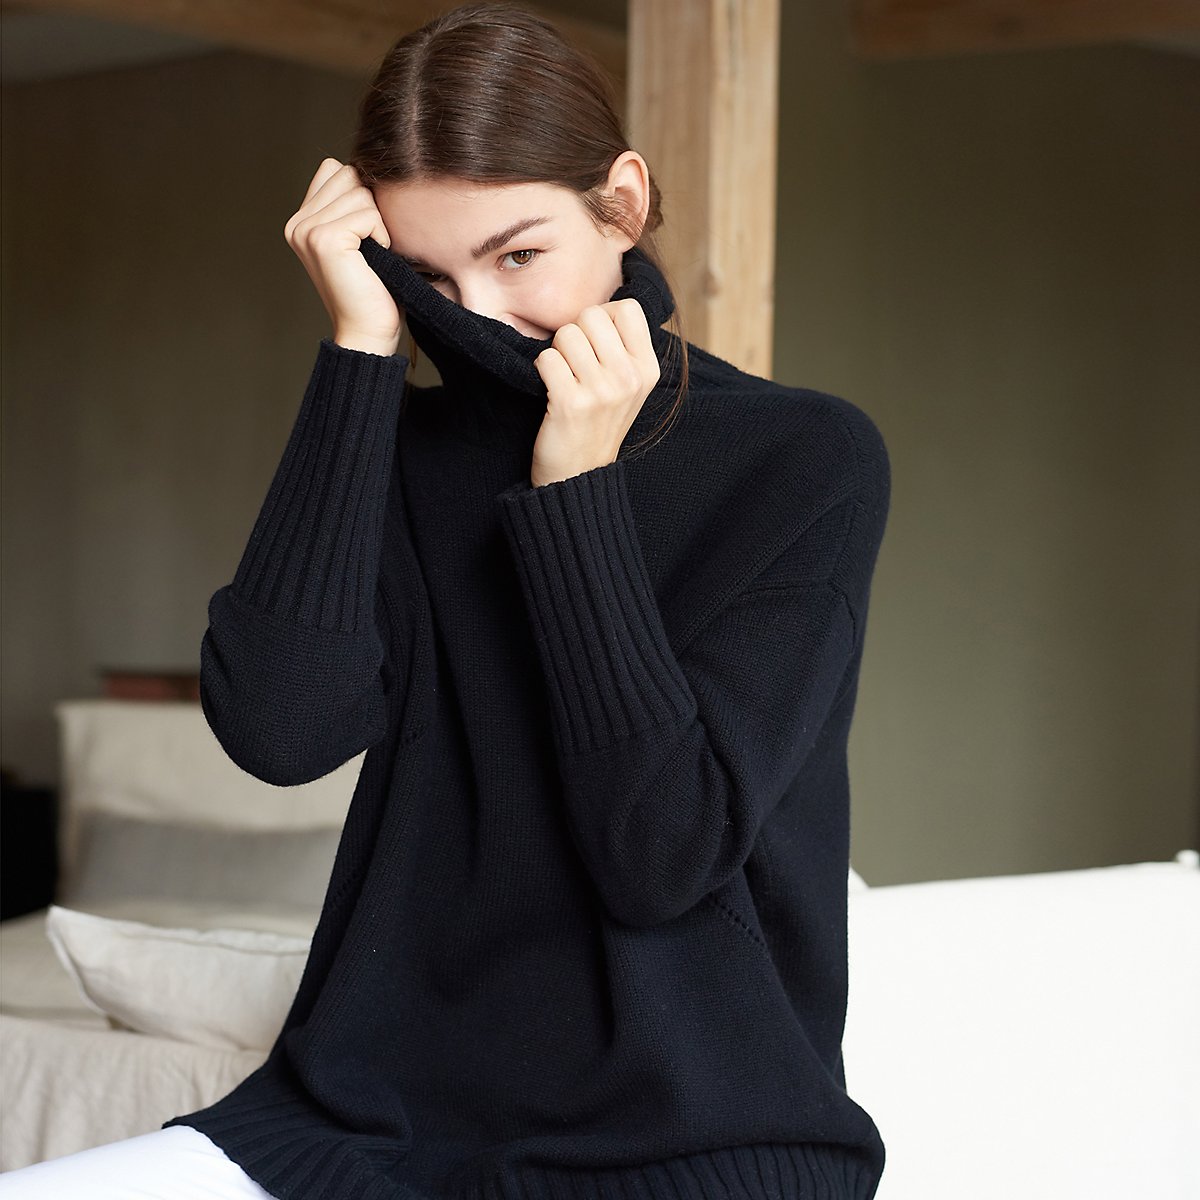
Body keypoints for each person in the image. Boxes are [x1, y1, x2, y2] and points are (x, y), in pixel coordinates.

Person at [0, 3, 890, 1198]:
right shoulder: (398, 448)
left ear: (622, 203)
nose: (473, 319)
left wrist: (574, 496)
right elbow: (282, 733)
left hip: (701, 1134)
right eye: (425, 275)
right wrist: (359, 356)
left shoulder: (803, 459)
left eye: (518, 256)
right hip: (382, 1116)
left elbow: (659, 852)